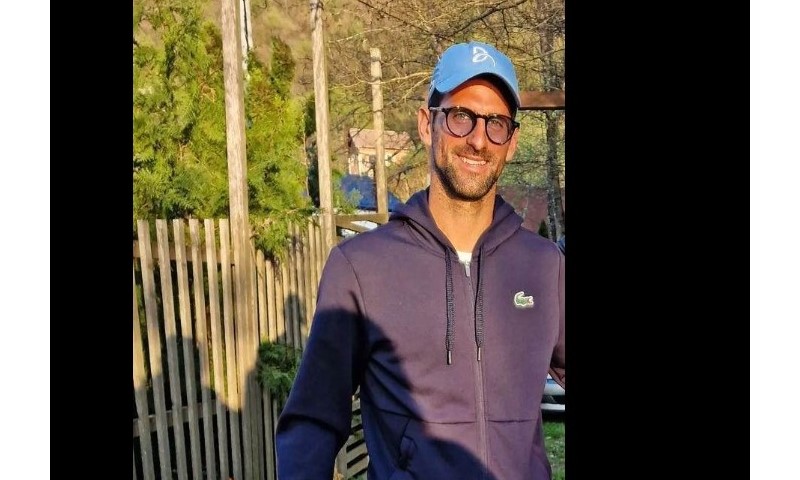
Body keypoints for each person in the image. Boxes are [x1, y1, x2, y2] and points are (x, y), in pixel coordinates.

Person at [276, 40, 565, 480]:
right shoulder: (362, 268)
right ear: (427, 124)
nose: (478, 140)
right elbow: (312, 423)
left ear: (511, 143)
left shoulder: (544, 266)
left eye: (496, 124)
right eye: (461, 116)